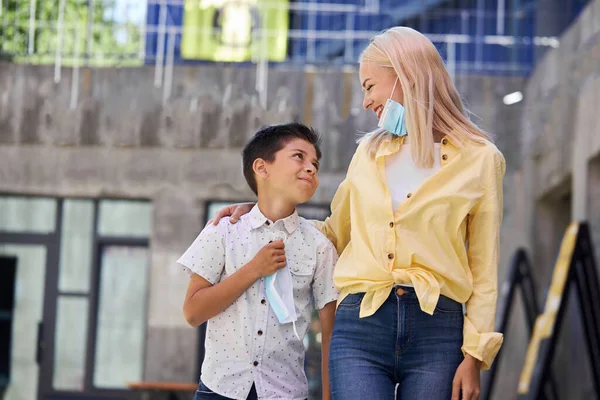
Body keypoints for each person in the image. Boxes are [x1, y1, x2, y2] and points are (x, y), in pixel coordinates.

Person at [210, 26, 505, 400]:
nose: (366, 102)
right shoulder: (368, 153)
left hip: (439, 330)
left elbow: (484, 268)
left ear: (404, 75)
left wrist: (474, 356)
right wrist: (260, 212)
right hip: (361, 325)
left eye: (369, 86)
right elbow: (334, 232)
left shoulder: (481, 160)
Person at [178, 122, 338, 400]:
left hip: (286, 393)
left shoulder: (319, 246)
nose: (311, 168)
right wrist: (253, 270)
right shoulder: (223, 230)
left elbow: (330, 334)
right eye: (299, 156)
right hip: (219, 390)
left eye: (315, 163)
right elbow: (193, 312)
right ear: (262, 168)